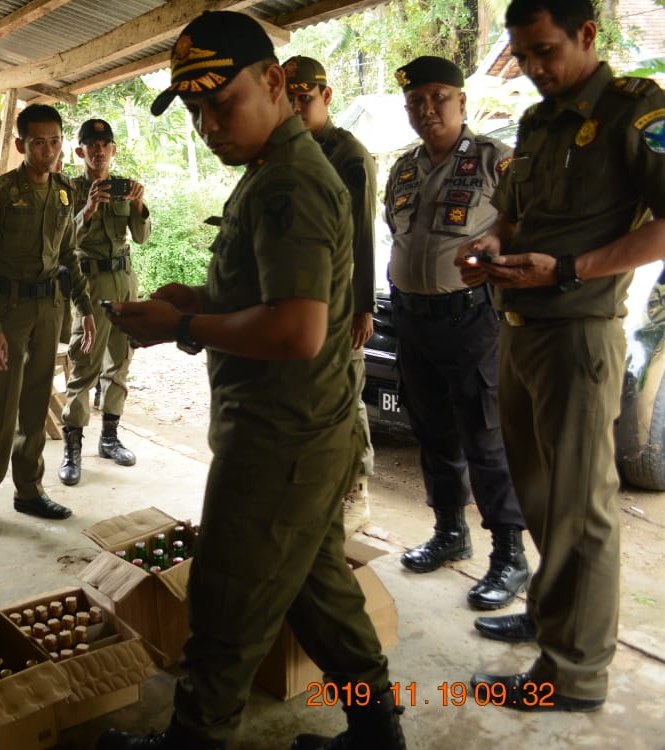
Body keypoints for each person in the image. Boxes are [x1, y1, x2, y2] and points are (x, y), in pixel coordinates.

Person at [98, 12, 404, 750]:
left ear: (274, 82)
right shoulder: (274, 171)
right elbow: (282, 304)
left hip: (280, 442)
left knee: (227, 607)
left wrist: (182, 328)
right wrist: (197, 302)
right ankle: (377, 735)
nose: (207, 123)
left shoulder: (287, 185)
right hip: (303, 431)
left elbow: (297, 332)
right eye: (195, 110)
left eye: (220, 102)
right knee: (318, 590)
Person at [459, 0, 665, 711]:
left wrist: (571, 269)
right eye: (523, 52)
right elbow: (515, 213)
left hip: (579, 334)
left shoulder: (634, 109)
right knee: (544, 496)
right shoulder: (539, 119)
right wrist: (489, 244)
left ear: (587, 35)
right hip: (519, 327)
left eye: (546, 50)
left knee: (582, 507)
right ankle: (556, 619)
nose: (534, 67)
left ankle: (574, 675)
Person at [384, 56, 530, 611]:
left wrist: (497, 241)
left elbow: (522, 223)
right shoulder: (402, 169)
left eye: (438, 97)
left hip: (470, 319)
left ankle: (509, 555)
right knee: (433, 433)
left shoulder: (496, 160)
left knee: (485, 438)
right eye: (416, 101)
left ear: (462, 102)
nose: (427, 110)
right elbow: (396, 232)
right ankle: (450, 532)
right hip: (412, 319)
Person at [0, 104, 96, 538]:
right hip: (11, 312)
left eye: (55, 141)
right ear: (22, 144)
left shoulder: (64, 192)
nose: (48, 150)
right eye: (38, 142)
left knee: (37, 404)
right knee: (1, 409)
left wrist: (87, 307)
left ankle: (28, 491)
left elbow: (67, 256)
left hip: (49, 309)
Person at [282, 55, 377, 534]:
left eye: (306, 98)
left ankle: (356, 488)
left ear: (326, 98)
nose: (297, 107)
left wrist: (364, 305)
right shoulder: (286, 149)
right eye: (289, 98)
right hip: (299, 296)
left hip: (340, 300)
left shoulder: (348, 155)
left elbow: (362, 236)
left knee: (345, 389)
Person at [58, 118, 151, 486]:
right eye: (91, 146)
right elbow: (62, 240)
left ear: (113, 150)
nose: (98, 151)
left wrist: (140, 203)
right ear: (80, 152)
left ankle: (109, 439)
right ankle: (73, 449)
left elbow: (142, 237)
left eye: (105, 145)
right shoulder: (69, 188)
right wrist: (89, 209)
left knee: (121, 363)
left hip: (125, 282)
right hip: (89, 285)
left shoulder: (126, 187)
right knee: (84, 364)